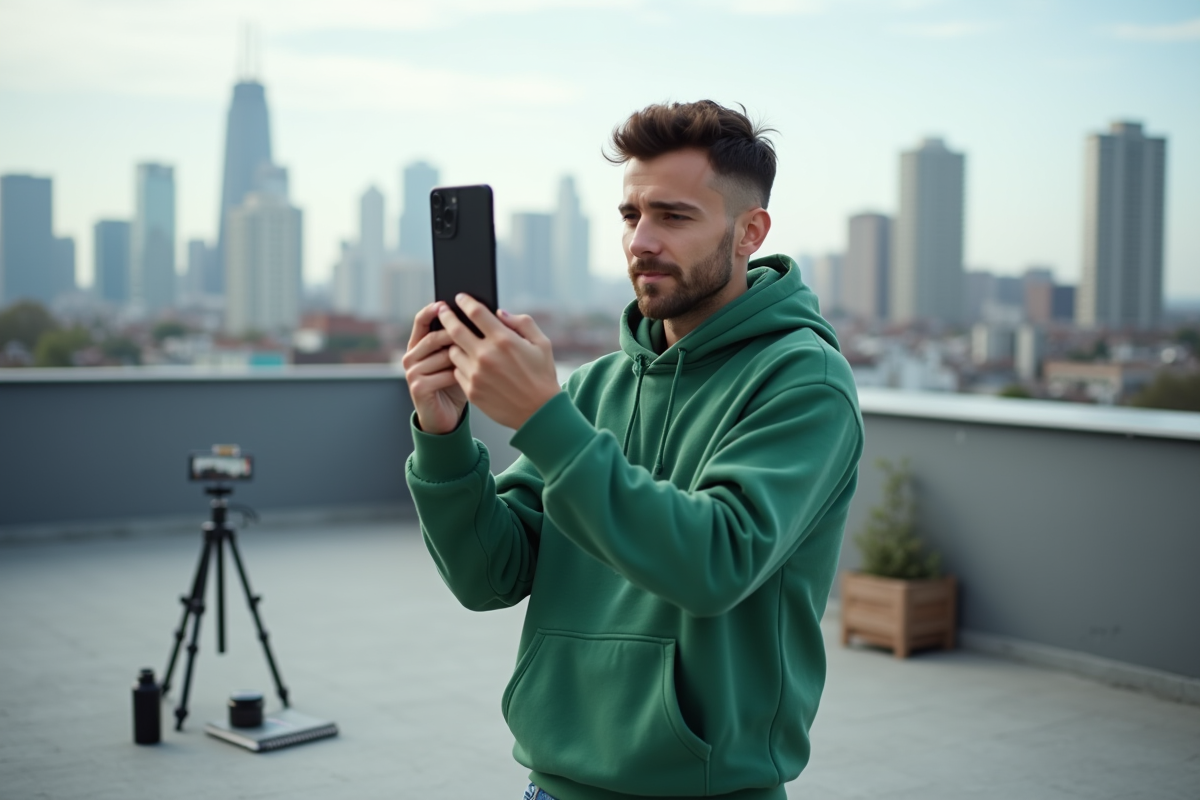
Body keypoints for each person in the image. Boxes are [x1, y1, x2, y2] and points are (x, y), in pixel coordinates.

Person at [402, 100, 863, 800]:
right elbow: (487, 577)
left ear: (749, 232)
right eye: (630, 216)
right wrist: (442, 439)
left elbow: (716, 562)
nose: (640, 241)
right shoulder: (597, 386)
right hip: (551, 785)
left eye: (673, 217)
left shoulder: (804, 380)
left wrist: (544, 419)